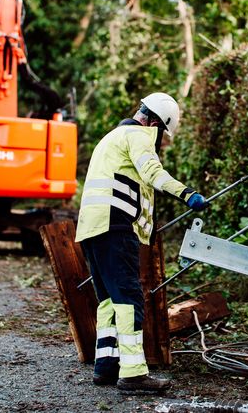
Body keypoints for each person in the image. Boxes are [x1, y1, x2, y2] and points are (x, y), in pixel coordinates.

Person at [75, 92, 208, 394]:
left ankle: (106, 366)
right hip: (115, 225)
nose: (159, 140)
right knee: (129, 298)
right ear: (155, 123)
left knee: (109, 299)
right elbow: (153, 173)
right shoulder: (139, 135)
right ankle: (133, 374)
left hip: (91, 228)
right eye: (161, 133)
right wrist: (188, 194)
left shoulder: (112, 137)